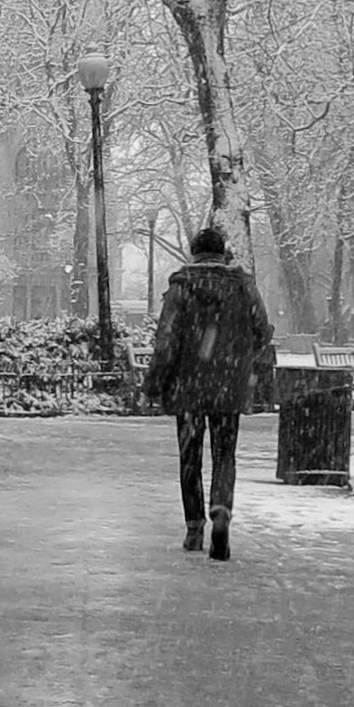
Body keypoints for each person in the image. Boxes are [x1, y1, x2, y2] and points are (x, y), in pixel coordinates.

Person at [142, 221, 278, 559]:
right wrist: (237, 353)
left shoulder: (182, 287)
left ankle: (193, 527)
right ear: (222, 253)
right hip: (228, 387)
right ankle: (221, 509)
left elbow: (167, 341)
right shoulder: (243, 287)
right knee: (224, 453)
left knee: (190, 457)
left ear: (194, 253)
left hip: (188, 387)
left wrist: (154, 384)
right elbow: (262, 331)